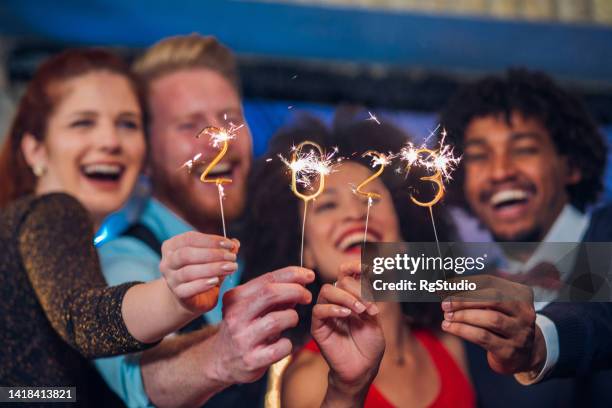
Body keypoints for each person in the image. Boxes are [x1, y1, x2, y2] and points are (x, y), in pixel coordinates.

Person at [0, 49, 239, 406]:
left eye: (127, 123)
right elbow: (83, 318)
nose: (110, 141)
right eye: (83, 122)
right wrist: (174, 295)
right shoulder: (53, 211)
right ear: (35, 149)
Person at [94, 34, 313, 407]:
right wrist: (221, 354)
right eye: (188, 125)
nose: (220, 142)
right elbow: (141, 380)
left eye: (230, 121)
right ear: (144, 154)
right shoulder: (121, 260)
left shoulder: (271, 241)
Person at [242, 116, 476, 407]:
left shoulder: (449, 345)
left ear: (403, 234)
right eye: (327, 204)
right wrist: (346, 391)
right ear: (306, 253)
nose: (355, 214)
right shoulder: (308, 378)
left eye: (370, 199)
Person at [438, 68, 612, 406]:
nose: (501, 171)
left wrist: (537, 341)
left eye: (524, 149)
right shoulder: (464, 294)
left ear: (571, 165)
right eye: (479, 156)